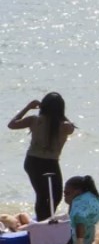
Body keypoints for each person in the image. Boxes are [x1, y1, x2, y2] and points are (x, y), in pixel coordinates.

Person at [9, 92, 73, 223]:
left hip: (38, 162)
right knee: (49, 195)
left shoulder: (36, 120)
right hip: (38, 161)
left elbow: (12, 124)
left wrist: (28, 107)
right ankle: (44, 222)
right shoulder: (65, 125)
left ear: (43, 106)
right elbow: (11, 125)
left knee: (51, 194)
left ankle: (45, 220)